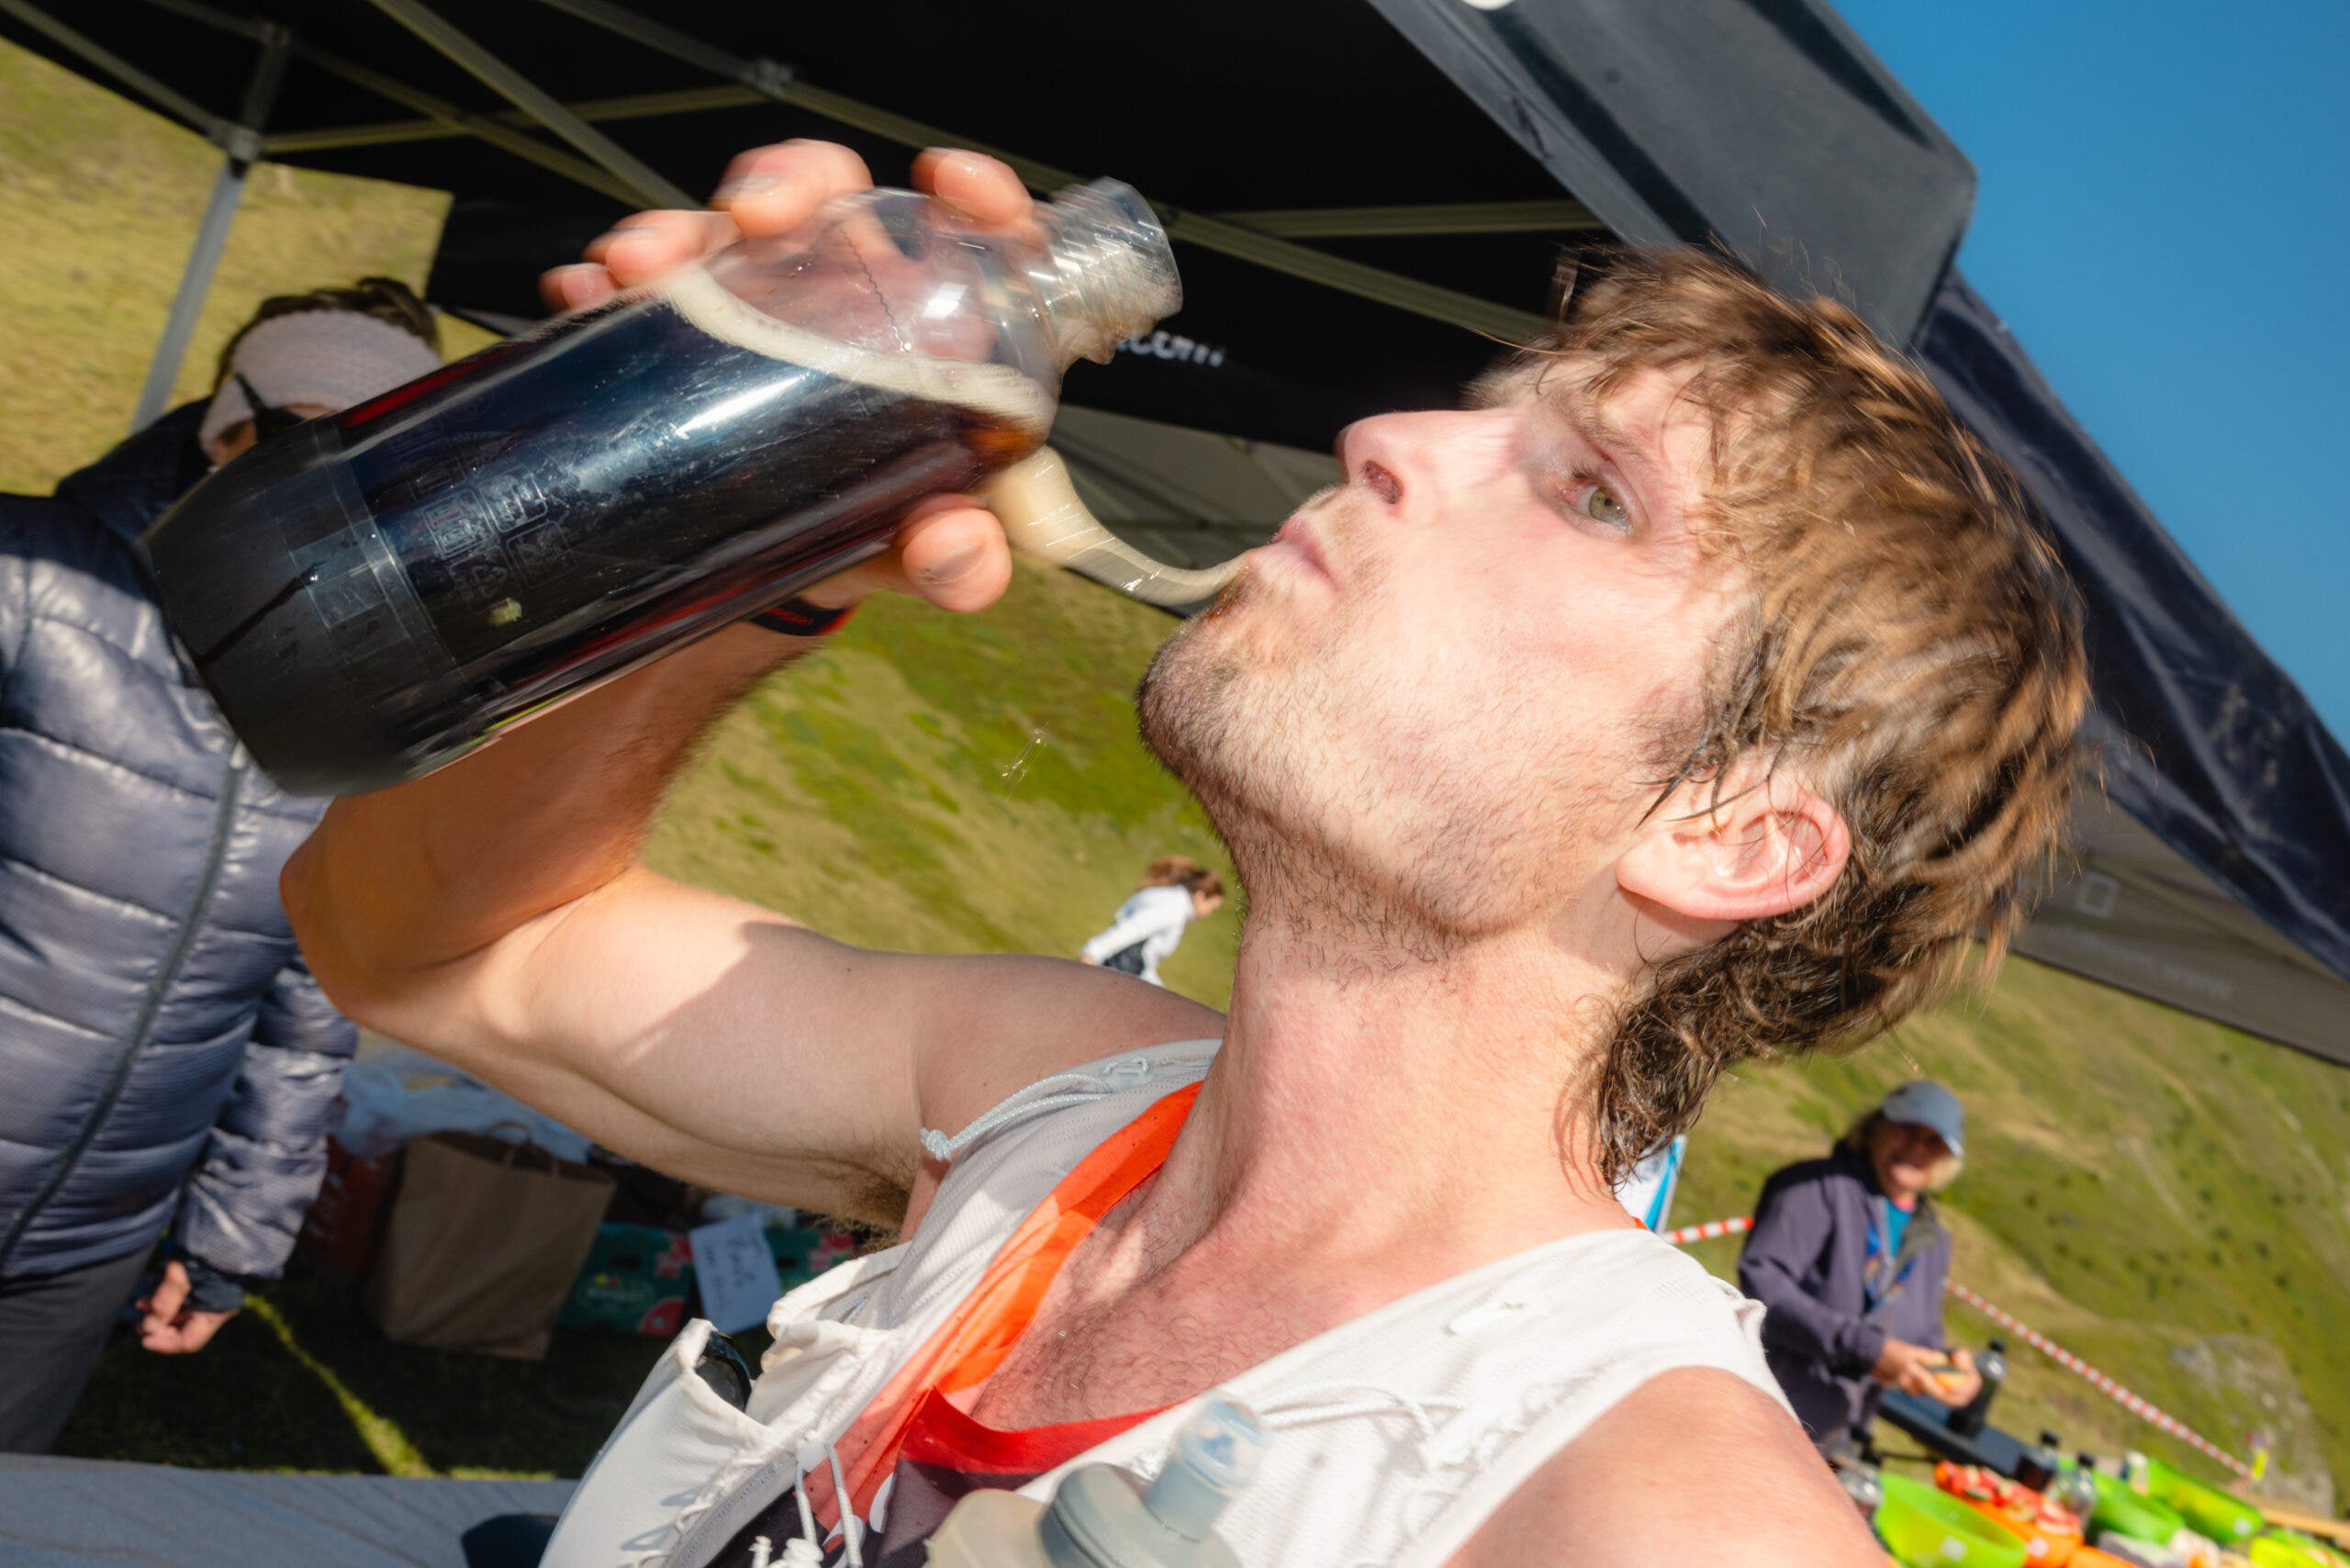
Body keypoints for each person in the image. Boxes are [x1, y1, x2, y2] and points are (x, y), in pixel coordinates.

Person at [285, 142, 2086, 1567]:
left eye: (1590, 491)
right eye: (1483, 410)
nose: (1384, 437)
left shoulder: (1636, 1502)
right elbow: (421, 946)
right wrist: (734, 551)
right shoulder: (1051, 1093)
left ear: (1730, 835)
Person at [0, 279, 444, 1453]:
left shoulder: (366, 700)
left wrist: (233, 1234)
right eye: (295, 439)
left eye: (368, 463)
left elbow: (307, 1007)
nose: (320, 492)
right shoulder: (31, 574)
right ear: (224, 426)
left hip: (82, 1250)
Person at [1738, 1081, 1985, 1458]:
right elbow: (1763, 1287)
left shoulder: (1934, 1240)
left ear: (1946, 1161)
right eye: (1908, 1129)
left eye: (1934, 1142)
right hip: (1761, 1414)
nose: (1917, 1148)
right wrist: (1869, 1350)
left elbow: (1922, 1335)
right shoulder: (1815, 1187)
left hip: (1839, 1445)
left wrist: (1949, 1368)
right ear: (1875, 1125)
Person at [1078, 856, 1225, 985]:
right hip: (1121, 972)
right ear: (1199, 897)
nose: (1209, 914)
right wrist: (1091, 954)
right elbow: (1131, 929)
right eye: (1212, 907)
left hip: (1129, 971)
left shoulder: (1169, 897)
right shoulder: (1173, 909)